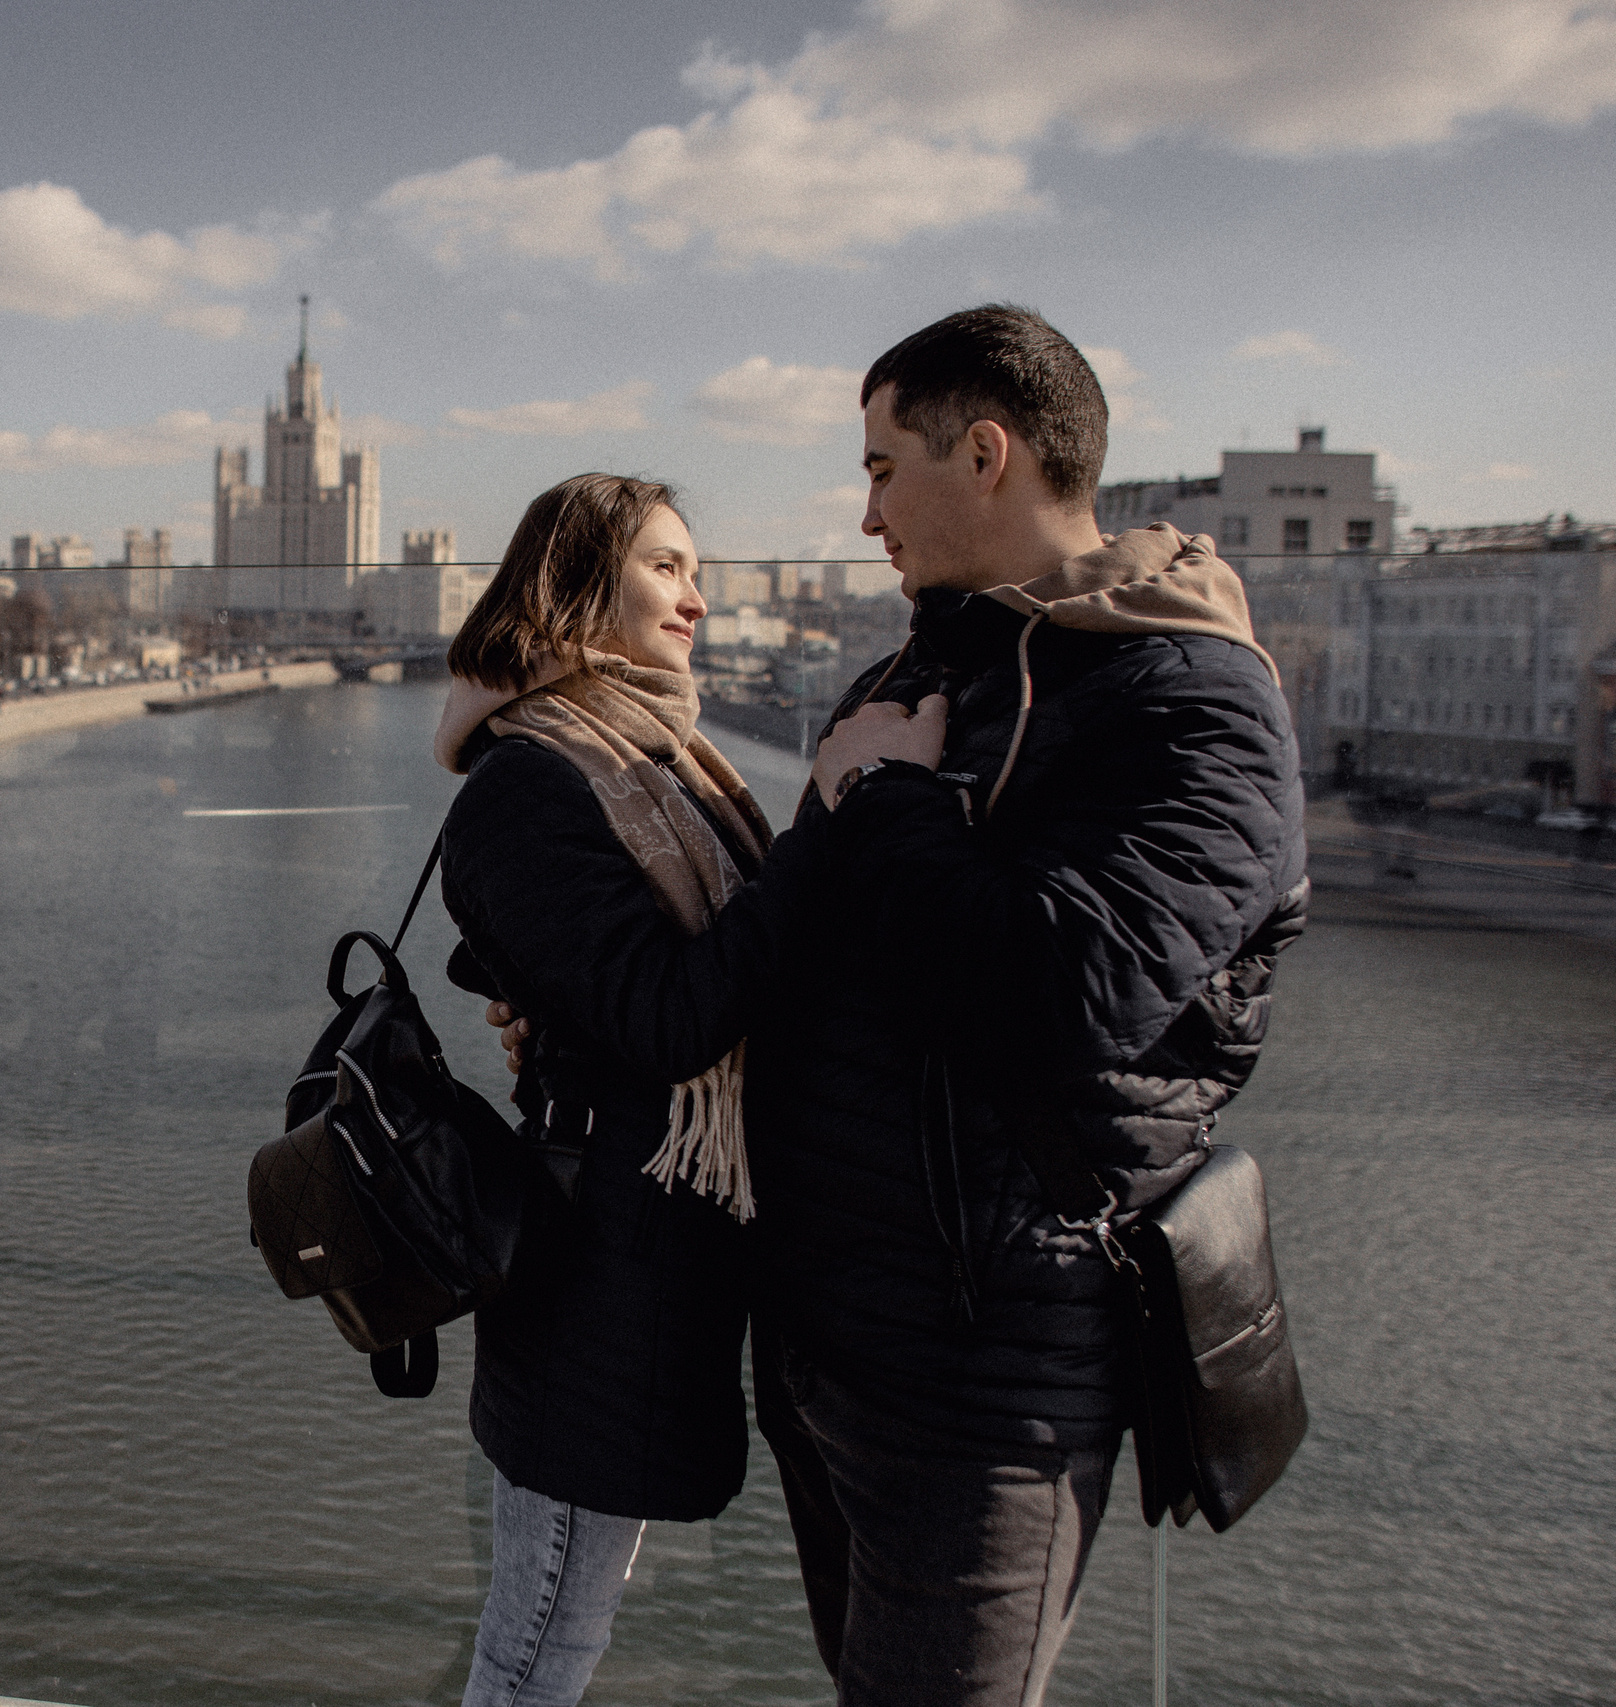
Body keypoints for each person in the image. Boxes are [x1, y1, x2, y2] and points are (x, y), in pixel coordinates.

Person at [491, 307, 1307, 1704]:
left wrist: (883, 794)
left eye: (881, 468)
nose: (863, 513)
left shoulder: (1196, 701)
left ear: (985, 452)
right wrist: (568, 999)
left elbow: (1067, 987)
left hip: (994, 1367)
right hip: (826, 1337)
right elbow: (791, 950)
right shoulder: (918, 672)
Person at [431, 473, 861, 1707]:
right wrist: (831, 807)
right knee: (543, 1629)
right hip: (595, 1276)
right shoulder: (532, 780)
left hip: (653, 1258)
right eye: (666, 566)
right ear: (576, 582)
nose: (698, 595)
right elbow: (673, 1017)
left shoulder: (650, 762)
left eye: (693, 568)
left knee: (564, 1616)